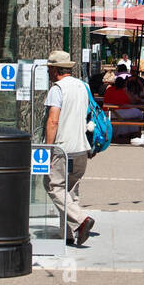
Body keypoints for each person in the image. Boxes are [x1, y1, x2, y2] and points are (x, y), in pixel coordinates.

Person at [42, 50, 95, 245]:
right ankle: (71, 233)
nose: (48, 73)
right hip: (81, 146)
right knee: (70, 190)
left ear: (55, 70)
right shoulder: (83, 86)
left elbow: (53, 121)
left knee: (53, 186)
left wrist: (47, 149)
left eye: (49, 69)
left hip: (62, 148)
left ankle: (81, 219)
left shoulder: (57, 89)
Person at [104, 73, 143, 139]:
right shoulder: (124, 91)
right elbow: (133, 101)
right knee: (139, 114)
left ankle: (125, 133)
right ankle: (133, 132)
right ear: (124, 84)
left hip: (109, 112)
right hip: (118, 111)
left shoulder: (109, 90)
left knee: (129, 116)